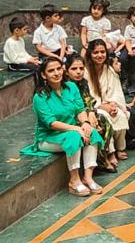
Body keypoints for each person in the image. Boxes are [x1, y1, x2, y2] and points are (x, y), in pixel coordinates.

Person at [32, 57, 105, 196]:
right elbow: (51, 123)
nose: (56, 73)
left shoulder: (71, 87)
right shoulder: (39, 97)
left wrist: (85, 123)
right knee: (75, 136)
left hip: (70, 132)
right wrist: (76, 128)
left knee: (91, 132)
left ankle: (88, 177)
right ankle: (74, 180)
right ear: (43, 75)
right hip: (48, 138)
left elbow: (80, 109)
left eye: (58, 69)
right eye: (51, 70)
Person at [83, 40, 129, 165]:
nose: (100, 55)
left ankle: (121, 148)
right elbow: (88, 95)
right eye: (95, 52)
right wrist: (101, 105)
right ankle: (110, 152)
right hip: (93, 107)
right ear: (90, 54)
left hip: (108, 103)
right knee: (105, 116)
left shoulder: (108, 69)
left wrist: (113, 104)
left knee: (120, 114)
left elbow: (116, 91)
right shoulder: (85, 71)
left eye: (102, 52)